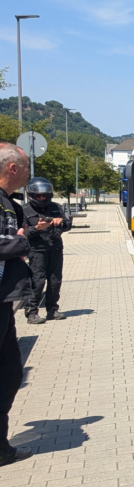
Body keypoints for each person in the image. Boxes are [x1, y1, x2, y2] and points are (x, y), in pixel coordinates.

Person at [0, 143, 33, 466]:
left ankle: (1, 447)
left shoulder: (9, 202)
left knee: (10, 373)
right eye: (26, 167)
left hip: (4, 300)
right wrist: (20, 240)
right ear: (12, 168)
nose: (29, 173)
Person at [22, 178, 70, 324]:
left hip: (55, 248)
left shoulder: (55, 207)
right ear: (32, 195)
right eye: (38, 196)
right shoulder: (24, 210)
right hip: (37, 250)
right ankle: (32, 312)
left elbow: (68, 225)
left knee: (55, 280)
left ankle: (52, 309)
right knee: (38, 280)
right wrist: (37, 228)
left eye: (44, 195)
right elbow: (23, 233)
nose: (42, 198)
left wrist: (61, 222)